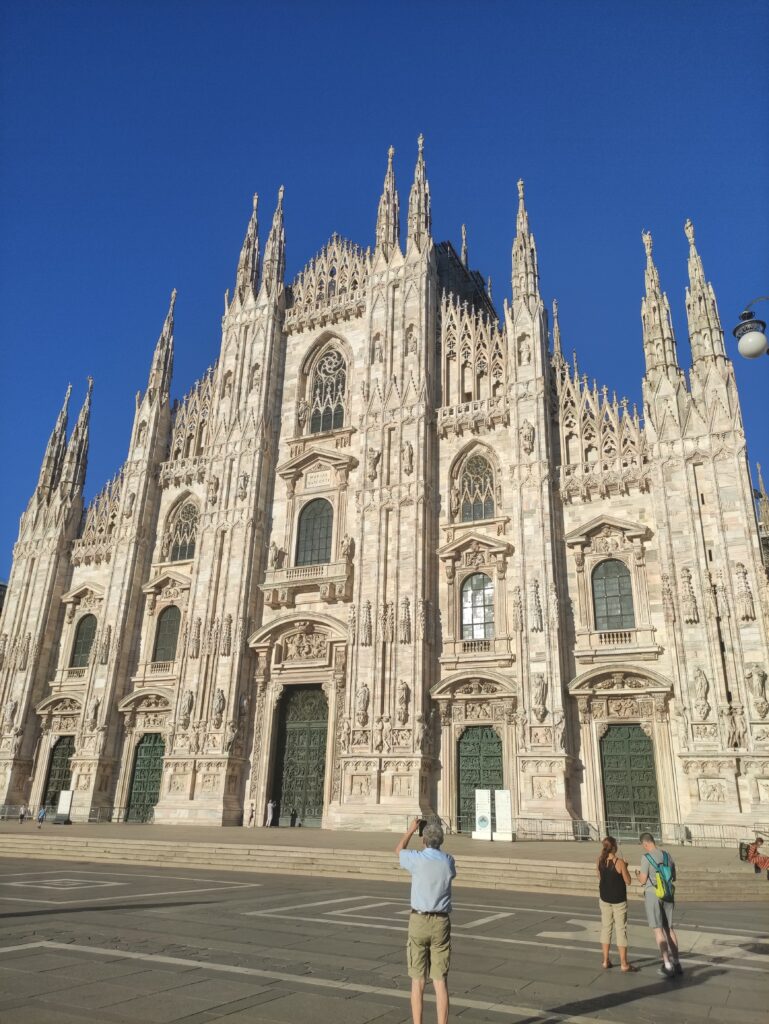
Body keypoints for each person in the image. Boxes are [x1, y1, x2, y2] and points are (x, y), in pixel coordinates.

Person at [396, 816, 456, 1024]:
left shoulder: (416, 859)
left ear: (424, 840)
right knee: (440, 982)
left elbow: (399, 850)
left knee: (417, 981)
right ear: (441, 841)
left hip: (418, 921)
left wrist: (411, 830)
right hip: (441, 922)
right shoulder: (448, 861)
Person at [635, 832, 681, 978]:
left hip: (653, 894)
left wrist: (637, 875)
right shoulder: (667, 855)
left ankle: (667, 964)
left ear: (645, 843)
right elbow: (673, 876)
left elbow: (642, 880)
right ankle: (677, 963)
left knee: (658, 929)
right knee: (669, 929)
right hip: (668, 894)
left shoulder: (646, 857)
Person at [596, 836, 636, 972]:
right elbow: (628, 881)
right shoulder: (619, 862)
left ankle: (606, 960)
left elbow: (600, 877)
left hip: (605, 898)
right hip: (618, 900)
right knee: (621, 930)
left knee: (606, 928)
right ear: (614, 847)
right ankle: (624, 964)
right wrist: (626, 867)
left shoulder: (599, 860)